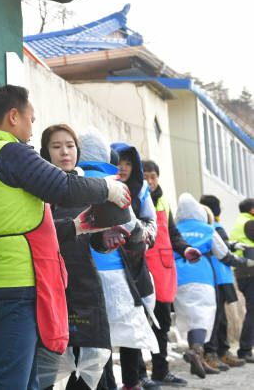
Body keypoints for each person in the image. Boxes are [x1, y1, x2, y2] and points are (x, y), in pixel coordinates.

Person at [0, 87, 131, 390]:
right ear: (14, 117)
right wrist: (107, 189)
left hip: (1, 281)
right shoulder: (11, 151)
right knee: (12, 383)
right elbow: (64, 188)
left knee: (28, 382)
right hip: (15, 283)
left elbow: (17, 225)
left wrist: (77, 228)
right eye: (31, 119)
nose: (31, 128)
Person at [37, 124, 124, 390]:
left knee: (93, 370)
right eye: (56, 146)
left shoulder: (89, 188)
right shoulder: (39, 191)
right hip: (50, 289)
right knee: (54, 371)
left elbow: (95, 237)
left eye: (70, 146)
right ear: (45, 152)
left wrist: (106, 240)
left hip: (85, 288)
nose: (65, 152)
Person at [172, 194, 254, 378]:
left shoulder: (175, 229)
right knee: (204, 317)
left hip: (178, 278)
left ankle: (198, 360)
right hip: (202, 277)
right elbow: (225, 255)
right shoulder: (207, 230)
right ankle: (196, 351)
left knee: (189, 316)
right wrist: (246, 262)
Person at [135, 160, 193, 388]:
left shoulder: (164, 203)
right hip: (140, 270)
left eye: (153, 177)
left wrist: (186, 249)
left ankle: (161, 371)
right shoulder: (134, 200)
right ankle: (138, 374)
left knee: (162, 325)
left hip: (163, 271)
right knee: (138, 324)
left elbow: (173, 234)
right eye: (146, 177)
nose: (150, 182)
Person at [108, 142, 162, 390]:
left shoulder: (141, 192)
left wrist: (144, 237)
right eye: (119, 161)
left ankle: (132, 381)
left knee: (132, 320)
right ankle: (106, 381)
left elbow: (151, 221)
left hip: (134, 262)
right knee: (105, 326)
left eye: (129, 163)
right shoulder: (103, 184)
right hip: (107, 261)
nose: (124, 167)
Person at [200, 194, 246, 369]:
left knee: (221, 317)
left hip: (220, 276)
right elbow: (223, 248)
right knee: (216, 317)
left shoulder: (213, 226)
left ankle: (221, 351)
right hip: (217, 276)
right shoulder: (211, 227)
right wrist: (233, 249)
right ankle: (213, 352)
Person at [231, 198, 254, 362]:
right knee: (253, 312)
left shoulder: (240, 222)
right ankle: (245, 350)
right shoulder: (249, 223)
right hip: (249, 272)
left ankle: (246, 348)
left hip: (243, 273)